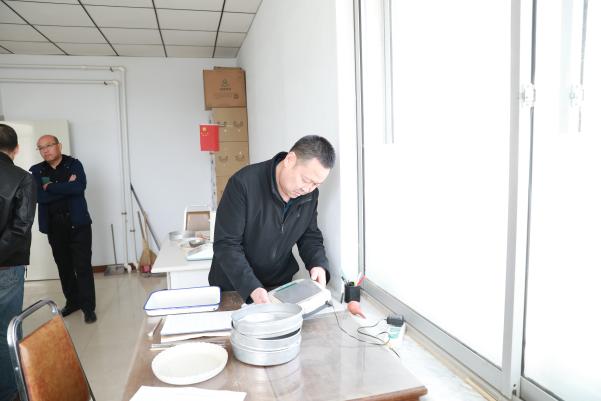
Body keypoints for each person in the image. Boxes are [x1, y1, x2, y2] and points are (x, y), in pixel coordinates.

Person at [209, 135, 335, 304]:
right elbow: (226, 244)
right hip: (234, 288)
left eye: (316, 184)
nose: (307, 189)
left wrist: (318, 264)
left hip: (278, 287)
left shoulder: (310, 195)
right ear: (290, 160)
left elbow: (309, 235)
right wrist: (251, 287)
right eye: (305, 180)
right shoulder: (243, 184)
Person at [29, 135, 97, 323]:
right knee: (64, 266)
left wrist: (50, 186)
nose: (45, 150)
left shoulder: (74, 164)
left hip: (78, 224)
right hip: (54, 226)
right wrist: (67, 187)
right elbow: (39, 197)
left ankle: (88, 308)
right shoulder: (36, 170)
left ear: (59, 145)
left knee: (82, 267)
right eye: (41, 148)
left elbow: (79, 188)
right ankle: (73, 302)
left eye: (49, 145)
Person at [0, 124, 36, 401]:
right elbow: (20, 228)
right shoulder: (23, 178)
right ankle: (12, 393)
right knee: (7, 331)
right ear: (16, 148)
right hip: (6, 267)